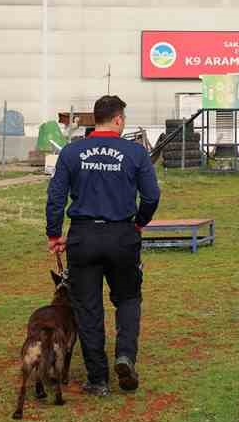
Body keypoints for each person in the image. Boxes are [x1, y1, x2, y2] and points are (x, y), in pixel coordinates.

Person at [45, 94, 160, 396]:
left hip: (83, 238)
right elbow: (151, 197)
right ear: (119, 119)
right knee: (127, 299)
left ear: (95, 120)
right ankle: (124, 356)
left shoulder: (72, 152)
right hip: (122, 236)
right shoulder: (135, 153)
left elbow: (56, 196)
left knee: (88, 308)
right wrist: (139, 222)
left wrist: (54, 234)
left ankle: (97, 379)